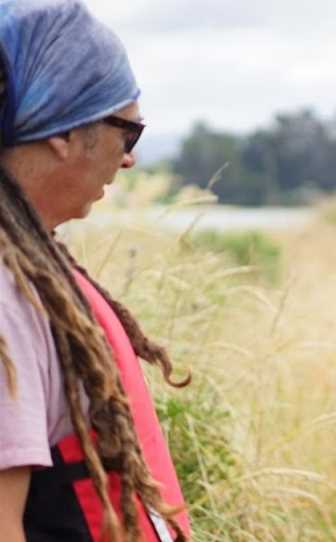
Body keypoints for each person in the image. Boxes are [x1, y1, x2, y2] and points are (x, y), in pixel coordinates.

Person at [0, 1, 191, 540]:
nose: (128, 158)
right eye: (127, 132)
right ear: (63, 132)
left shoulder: (32, 263)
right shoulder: (7, 293)